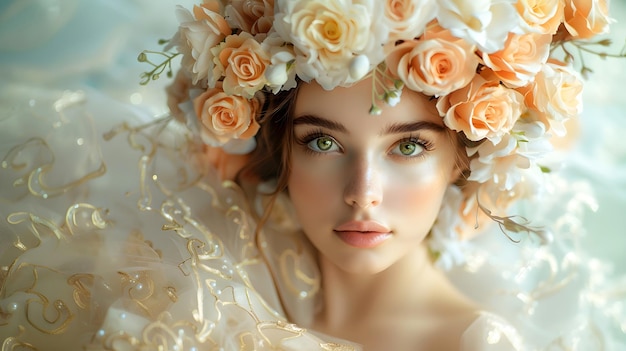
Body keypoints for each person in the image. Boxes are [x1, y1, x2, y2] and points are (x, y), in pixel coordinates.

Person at [1, 0, 625, 350]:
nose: (363, 192)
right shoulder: (201, 253)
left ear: (462, 160)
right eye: (324, 141)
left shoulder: (472, 345)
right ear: (280, 147)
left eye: (408, 148)